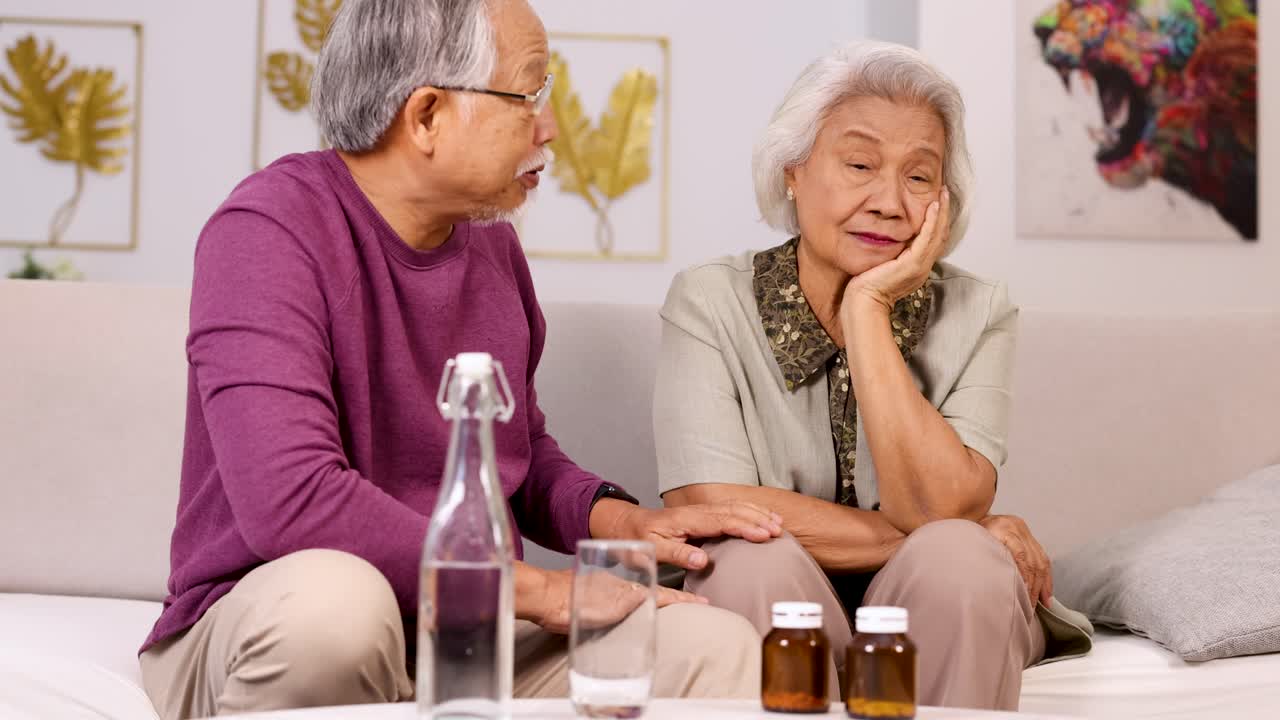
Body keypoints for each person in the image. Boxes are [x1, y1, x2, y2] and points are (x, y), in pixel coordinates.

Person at [138, 1, 775, 717]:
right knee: (340, 609)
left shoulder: (491, 244)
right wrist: (536, 592)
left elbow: (515, 456)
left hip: (464, 630)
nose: (550, 125)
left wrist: (618, 524)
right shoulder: (264, 232)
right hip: (272, 620)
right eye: (529, 93)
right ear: (428, 116)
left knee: (713, 647)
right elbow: (292, 500)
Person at [654, 41, 1092, 711]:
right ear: (792, 170)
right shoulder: (709, 302)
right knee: (743, 560)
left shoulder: (981, 312)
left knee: (961, 560)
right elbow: (711, 508)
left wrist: (867, 309)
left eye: (919, 177)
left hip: (937, 602)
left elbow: (944, 512)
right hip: (777, 589)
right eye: (859, 164)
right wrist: (962, 523)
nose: (890, 201)